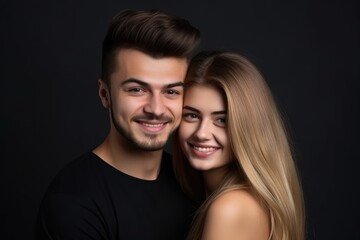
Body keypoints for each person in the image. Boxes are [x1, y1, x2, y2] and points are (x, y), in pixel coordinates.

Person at [37, 9, 200, 240]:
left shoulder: (193, 180)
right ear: (105, 94)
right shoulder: (73, 203)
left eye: (171, 91)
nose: (156, 108)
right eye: (137, 90)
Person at [173, 51, 305, 240]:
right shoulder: (242, 200)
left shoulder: (230, 208)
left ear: (249, 128)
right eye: (192, 115)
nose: (201, 133)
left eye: (222, 120)